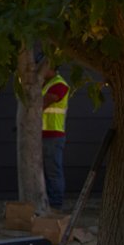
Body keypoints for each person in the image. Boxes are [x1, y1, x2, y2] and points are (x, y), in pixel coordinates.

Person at [41, 68, 71, 211]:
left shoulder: (59, 84)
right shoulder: (44, 84)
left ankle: (55, 204)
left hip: (53, 135)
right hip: (41, 134)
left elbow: (40, 103)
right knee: (44, 172)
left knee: (53, 171)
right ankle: (47, 203)